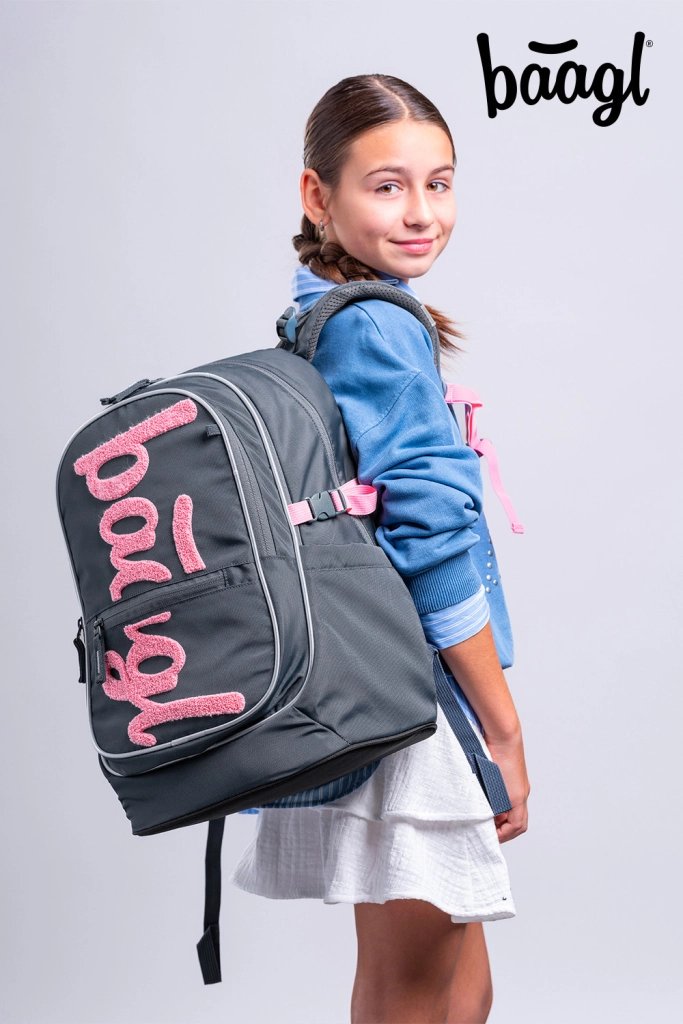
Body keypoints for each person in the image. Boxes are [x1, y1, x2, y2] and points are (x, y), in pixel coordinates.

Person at [231, 74, 530, 1024]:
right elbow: (430, 541)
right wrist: (502, 729)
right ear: (317, 195)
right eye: (387, 186)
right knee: (418, 987)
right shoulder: (371, 325)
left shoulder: (322, 306)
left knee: (451, 985)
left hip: (370, 678)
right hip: (409, 690)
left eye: (438, 183)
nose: (421, 213)